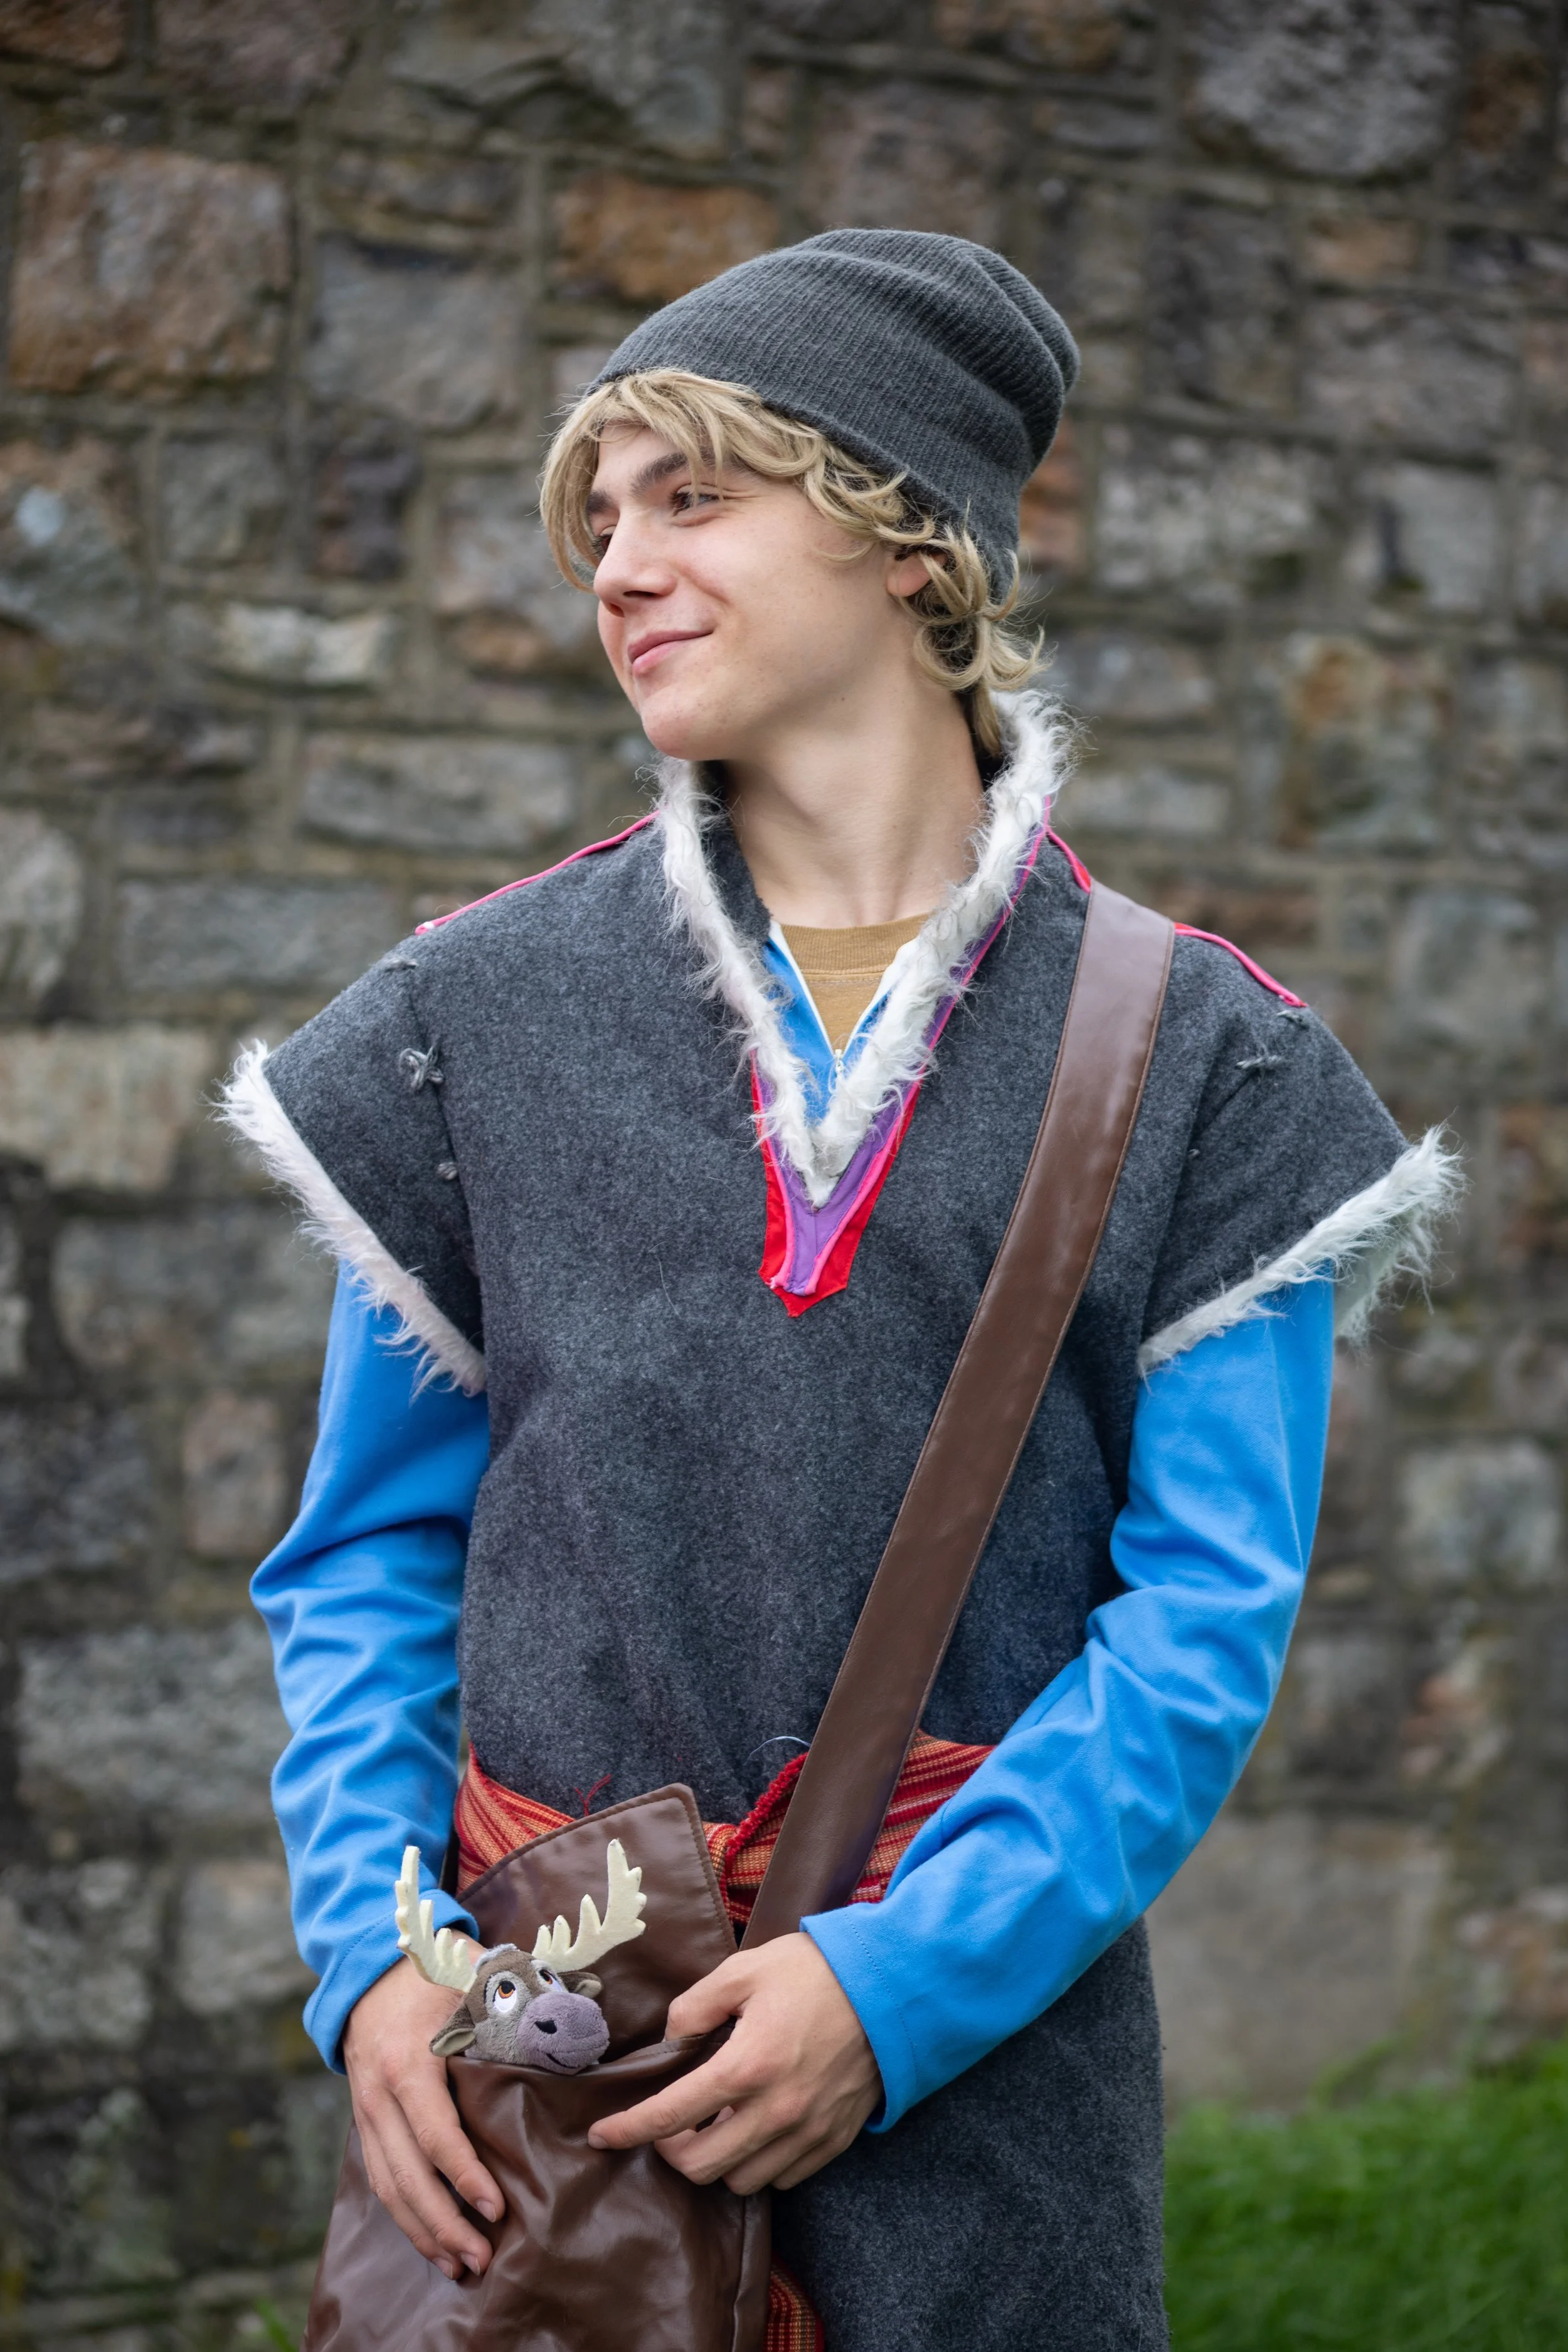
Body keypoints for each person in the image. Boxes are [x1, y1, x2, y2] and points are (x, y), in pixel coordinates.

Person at [225, 230, 1457, 2350]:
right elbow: (361, 1563)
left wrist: (900, 1986)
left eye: (692, 496)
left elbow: (1199, 1626)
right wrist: (372, 1964)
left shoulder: (1209, 1061)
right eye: (597, 519)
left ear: (909, 541)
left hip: (985, 2117)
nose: (616, 563)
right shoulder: (468, 1019)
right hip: (546, 2080)